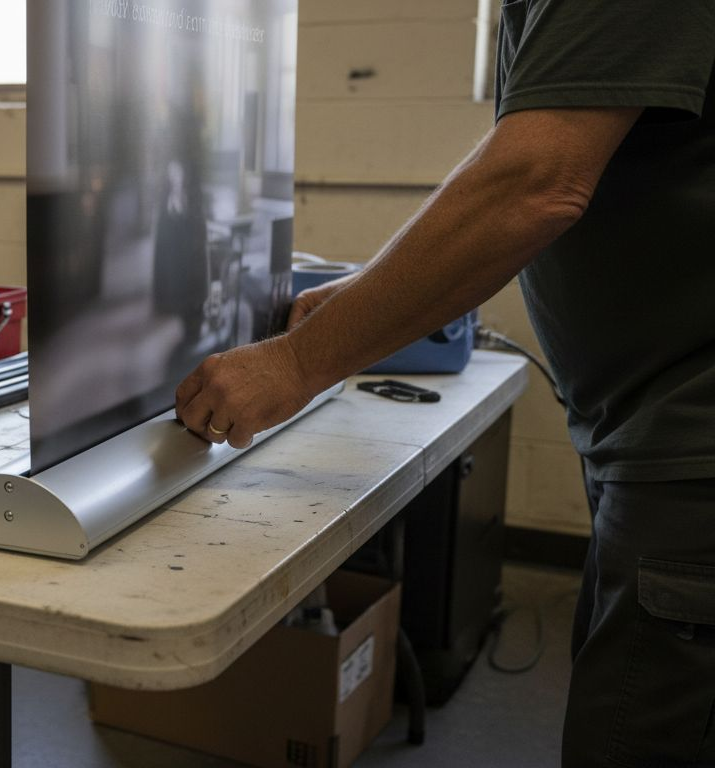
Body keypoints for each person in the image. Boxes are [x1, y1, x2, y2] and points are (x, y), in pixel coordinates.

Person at [174, 3, 715, 765]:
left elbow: (534, 182)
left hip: (690, 451)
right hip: (655, 439)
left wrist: (298, 363)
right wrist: (369, 296)